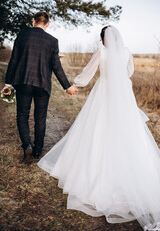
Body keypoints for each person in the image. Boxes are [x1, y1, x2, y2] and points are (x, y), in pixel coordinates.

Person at [38, 26, 160, 231]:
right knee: (128, 134)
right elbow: (128, 72)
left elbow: (88, 72)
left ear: (103, 39)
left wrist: (75, 84)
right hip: (123, 95)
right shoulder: (127, 52)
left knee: (97, 132)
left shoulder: (101, 52)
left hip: (103, 93)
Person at [2, 11, 78, 160]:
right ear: (47, 24)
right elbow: (57, 66)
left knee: (22, 115)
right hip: (43, 85)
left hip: (23, 82)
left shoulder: (22, 36)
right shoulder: (53, 41)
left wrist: (8, 83)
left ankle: (27, 145)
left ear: (34, 21)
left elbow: (14, 60)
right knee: (40, 117)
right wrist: (67, 86)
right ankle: (37, 151)